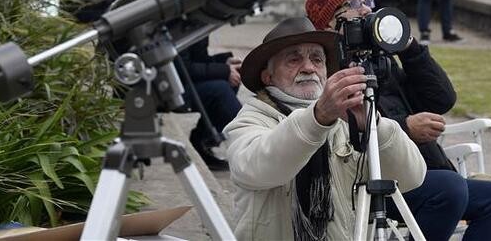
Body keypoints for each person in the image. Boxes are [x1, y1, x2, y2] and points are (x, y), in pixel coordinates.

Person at [306, 0, 491, 241]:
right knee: (450, 190)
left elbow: (441, 99)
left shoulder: (379, 59)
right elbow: (344, 136)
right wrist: (405, 129)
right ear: (329, 23)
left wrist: (407, 46)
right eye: (352, 5)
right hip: (371, 180)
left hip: (425, 173)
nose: (366, 9)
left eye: (366, 1)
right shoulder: (329, 72)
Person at [223, 17, 426, 240]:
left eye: (317, 59)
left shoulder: (344, 119)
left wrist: (373, 124)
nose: (309, 68)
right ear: (268, 77)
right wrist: (318, 118)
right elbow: (258, 167)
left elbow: (411, 178)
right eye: (293, 60)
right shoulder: (251, 119)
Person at [178, 36, 242, 171]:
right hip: (171, 89)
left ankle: (201, 139)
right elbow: (182, 68)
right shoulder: (178, 24)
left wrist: (224, 62)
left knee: (231, 80)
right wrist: (223, 70)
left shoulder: (194, 22)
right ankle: (252, 144)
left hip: (183, 82)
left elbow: (198, 60)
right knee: (222, 91)